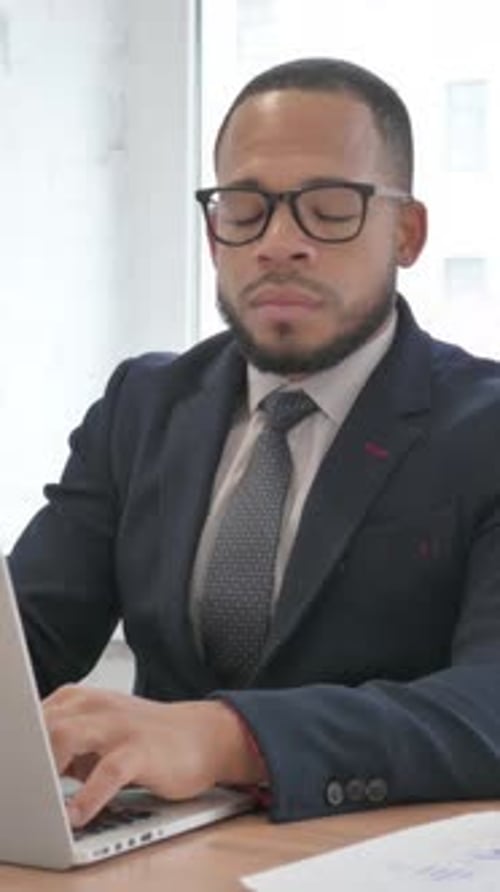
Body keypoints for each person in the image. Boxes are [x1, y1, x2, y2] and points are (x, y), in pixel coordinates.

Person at [9, 57, 500, 830]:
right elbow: (27, 638)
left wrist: (229, 736)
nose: (279, 242)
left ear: (407, 233)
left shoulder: (484, 429)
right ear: (214, 233)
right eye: (245, 207)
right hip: (154, 859)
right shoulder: (142, 406)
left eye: (329, 207)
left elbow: (490, 704)